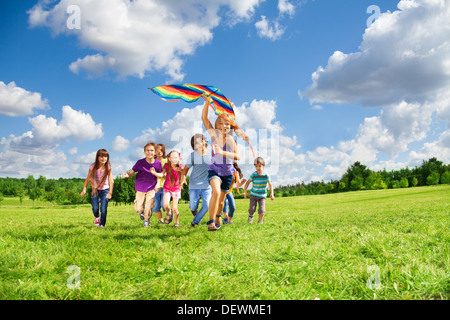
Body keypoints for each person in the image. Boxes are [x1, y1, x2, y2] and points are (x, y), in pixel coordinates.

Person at [201, 93, 240, 231]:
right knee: (216, 192)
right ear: (217, 125)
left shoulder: (230, 140)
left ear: (231, 126)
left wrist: (221, 152)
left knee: (222, 201)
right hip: (214, 169)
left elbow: (238, 156)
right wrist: (208, 102)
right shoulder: (214, 135)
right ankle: (211, 222)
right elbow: (204, 118)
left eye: (227, 124)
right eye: (221, 123)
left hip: (228, 172)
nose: (224, 126)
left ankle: (218, 216)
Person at [122, 142, 162, 228]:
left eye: (151, 150)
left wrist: (158, 185)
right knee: (138, 209)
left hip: (151, 188)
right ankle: (142, 212)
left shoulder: (158, 163)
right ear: (144, 152)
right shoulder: (140, 162)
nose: (149, 152)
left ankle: (147, 220)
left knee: (149, 205)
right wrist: (127, 175)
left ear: (155, 152)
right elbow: (131, 173)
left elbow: (159, 176)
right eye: (147, 150)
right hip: (140, 188)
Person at [180, 133, 212, 227]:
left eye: (201, 141)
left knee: (206, 206)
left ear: (205, 141)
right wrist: (182, 179)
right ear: (194, 146)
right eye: (197, 143)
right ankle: (194, 210)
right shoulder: (193, 155)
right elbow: (186, 169)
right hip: (194, 185)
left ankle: (195, 221)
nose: (200, 144)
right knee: (193, 206)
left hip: (207, 185)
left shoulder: (211, 154)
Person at [80, 149, 114, 228]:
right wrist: (84, 188)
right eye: (101, 156)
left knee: (103, 208)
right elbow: (88, 178)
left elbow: (111, 180)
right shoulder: (93, 166)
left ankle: (102, 224)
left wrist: (110, 192)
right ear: (97, 157)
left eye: (105, 157)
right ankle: (97, 216)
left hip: (105, 190)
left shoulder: (108, 167)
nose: (103, 159)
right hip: (95, 190)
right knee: (95, 208)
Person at [155, 150, 184, 227]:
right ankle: (169, 212)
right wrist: (154, 173)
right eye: (172, 157)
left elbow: (184, 173)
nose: (174, 159)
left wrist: (180, 171)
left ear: (178, 158)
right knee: (165, 205)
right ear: (169, 159)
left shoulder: (180, 166)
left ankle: (176, 221)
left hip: (176, 189)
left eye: (176, 157)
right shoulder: (167, 166)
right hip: (167, 188)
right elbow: (162, 174)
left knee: (175, 208)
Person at [243, 157, 274, 224]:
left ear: (263, 166)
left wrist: (272, 193)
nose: (258, 168)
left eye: (260, 166)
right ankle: (250, 217)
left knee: (262, 209)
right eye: (256, 166)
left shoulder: (266, 175)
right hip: (253, 195)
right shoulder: (253, 175)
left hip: (262, 196)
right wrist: (245, 191)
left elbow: (270, 184)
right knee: (252, 209)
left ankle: (260, 221)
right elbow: (247, 182)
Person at [152, 144, 167, 224]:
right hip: (155, 187)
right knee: (156, 206)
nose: (159, 152)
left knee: (164, 204)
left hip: (165, 186)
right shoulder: (152, 161)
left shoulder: (166, 160)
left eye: (161, 150)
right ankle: (160, 220)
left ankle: (169, 214)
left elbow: (168, 173)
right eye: (157, 150)